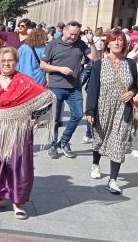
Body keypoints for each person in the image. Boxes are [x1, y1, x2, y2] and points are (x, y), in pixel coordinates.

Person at [0, 47, 56, 220]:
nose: (7, 64)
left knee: (16, 164)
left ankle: (17, 203)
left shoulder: (25, 81)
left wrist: (32, 117)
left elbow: (48, 97)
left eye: (10, 60)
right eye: (3, 61)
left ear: (16, 61)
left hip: (16, 129)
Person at [85, 33, 138, 194]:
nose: (117, 43)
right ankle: (95, 163)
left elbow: (134, 85)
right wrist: (90, 111)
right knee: (100, 138)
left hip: (123, 109)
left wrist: (132, 93)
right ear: (107, 44)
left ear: (124, 45)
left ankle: (113, 180)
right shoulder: (99, 64)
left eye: (120, 40)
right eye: (114, 40)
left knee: (118, 141)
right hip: (103, 108)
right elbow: (92, 89)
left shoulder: (130, 64)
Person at [40, 21, 97, 158]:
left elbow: (94, 58)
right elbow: (43, 65)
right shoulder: (53, 44)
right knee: (55, 118)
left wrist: (91, 42)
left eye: (76, 35)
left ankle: (64, 141)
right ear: (64, 31)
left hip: (74, 87)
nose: (73, 37)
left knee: (77, 115)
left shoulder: (81, 44)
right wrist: (60, 69)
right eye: (71, 34)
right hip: (56, 86)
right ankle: (53, 143)